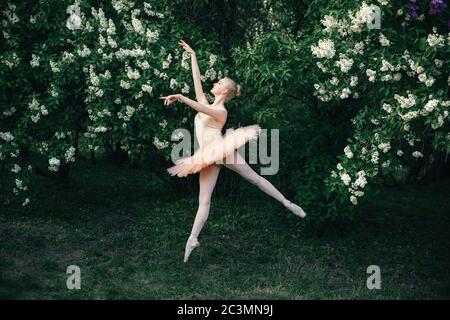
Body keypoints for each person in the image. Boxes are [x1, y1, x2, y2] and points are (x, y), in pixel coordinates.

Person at [160, 40, 306, 263]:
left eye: (218, 82)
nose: (215, 83)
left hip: (220, 149)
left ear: (225, 91)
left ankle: (287, 203)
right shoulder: (209, 103)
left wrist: (180, 97)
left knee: (254, 179)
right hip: (208, 156)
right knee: (204, 200)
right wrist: (193, 55)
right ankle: (192, 239)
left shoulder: (220, 111)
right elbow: (197, 84)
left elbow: (200, 108)